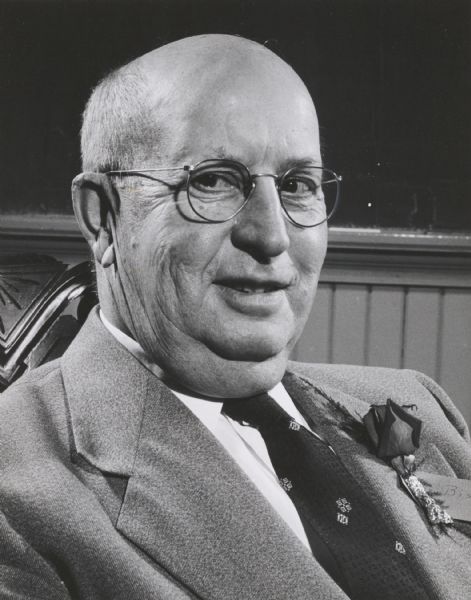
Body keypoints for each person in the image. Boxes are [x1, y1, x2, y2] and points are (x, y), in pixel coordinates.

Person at [0, 34, 470, 600]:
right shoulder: (19, 493)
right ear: (103, 218)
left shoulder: (419, 405)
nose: (272, 236)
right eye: (214, 181)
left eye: (298, 186)